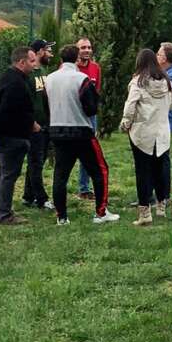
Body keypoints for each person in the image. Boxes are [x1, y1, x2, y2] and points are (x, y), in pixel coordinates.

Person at [46, 44, 118, 224]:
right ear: (77, 58)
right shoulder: (82, 78)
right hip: (80, 131)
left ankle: (62, 217)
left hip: (57, 130)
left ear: (61, 59)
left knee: (60, 175)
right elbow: (91, 109)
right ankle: (101, 213)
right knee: (100, 170)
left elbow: (46, 106)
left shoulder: (50, 79)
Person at [119, 48, 172, 225]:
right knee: (162, 168)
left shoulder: (138, 82)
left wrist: (126, 124)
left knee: (143, 171)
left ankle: (145, 213)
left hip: (142, 133)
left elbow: (130, 107)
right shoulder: (167, 81)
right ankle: (161, 206)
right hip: (162, 132)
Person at [0, 46, 38, 226]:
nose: (35, 64)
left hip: (0, 134)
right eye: (32, 61)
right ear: (21, 62)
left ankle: (2, 208)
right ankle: (4, 214)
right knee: (8, 174)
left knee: (3, 174)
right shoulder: (15, 83)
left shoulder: (8, 77)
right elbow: (10, 112)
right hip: (9, 137)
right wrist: (29, 126)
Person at [22, 39, 55, 211]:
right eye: (48, 50)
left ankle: (28, 196)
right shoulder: (28, 75)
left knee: (37, 162)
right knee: (35, 162)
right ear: (40, 51)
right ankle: (41, 199)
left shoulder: (43, 71)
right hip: (33, 126)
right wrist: (31, 122)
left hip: (45, 124)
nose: (51, 54)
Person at [74, 38, 102, 199]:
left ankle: (84, 188)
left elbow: (96, 91)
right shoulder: (70, 68)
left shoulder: (95, 68)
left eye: (89, 47)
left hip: (90, 116)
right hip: (73, 115)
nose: (87, 50)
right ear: (77, 50)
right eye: (83, 47)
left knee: (89, 151)